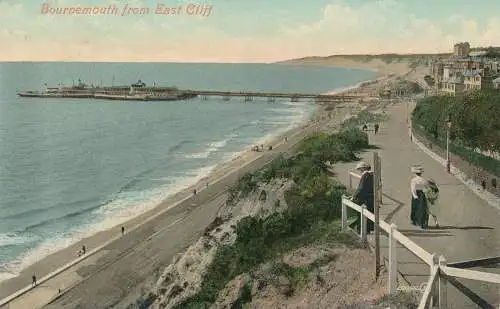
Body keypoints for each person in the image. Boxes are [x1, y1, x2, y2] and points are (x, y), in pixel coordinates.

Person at [351, 161, 375, 233]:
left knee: (361, 214)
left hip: (364, 198)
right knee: (369, 213)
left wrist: (354, 196)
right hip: (370, 197)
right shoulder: (372, 174)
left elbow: (361, 188)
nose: (359, 171)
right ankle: (368, 229)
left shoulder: (365, 175)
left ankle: (361, 230)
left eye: (360, 169)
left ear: (363, 168)